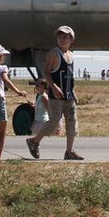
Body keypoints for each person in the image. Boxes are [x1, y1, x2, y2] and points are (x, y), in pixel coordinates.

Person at [26, 25, 82, 161]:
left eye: (65, 37)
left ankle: (69, 151)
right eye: (60, 36)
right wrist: (53, 87)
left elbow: (70, 75)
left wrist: (73, 92)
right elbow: (47, 72)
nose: (62, 39)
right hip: (56, 96)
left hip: (68, 95)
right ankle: (34, 141)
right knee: (54, 121)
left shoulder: (71, 55)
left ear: (71, 39)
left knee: (72, 122)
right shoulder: (53, 53)